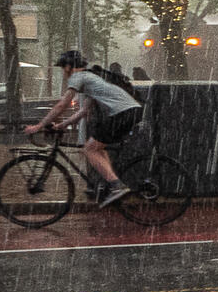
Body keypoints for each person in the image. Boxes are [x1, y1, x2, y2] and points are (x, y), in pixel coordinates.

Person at [27, 48, 142, 207]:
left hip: (121, 114)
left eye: (63, 68)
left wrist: (39, 125)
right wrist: (61, 125)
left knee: (89, 149)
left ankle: (116, 185)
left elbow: (62, 105)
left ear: (68, 67)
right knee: (99, 148)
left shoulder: (78, 77)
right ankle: (111, 184)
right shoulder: (89, 79)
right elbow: (83, 111)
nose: (63, 72)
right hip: (130, 112)